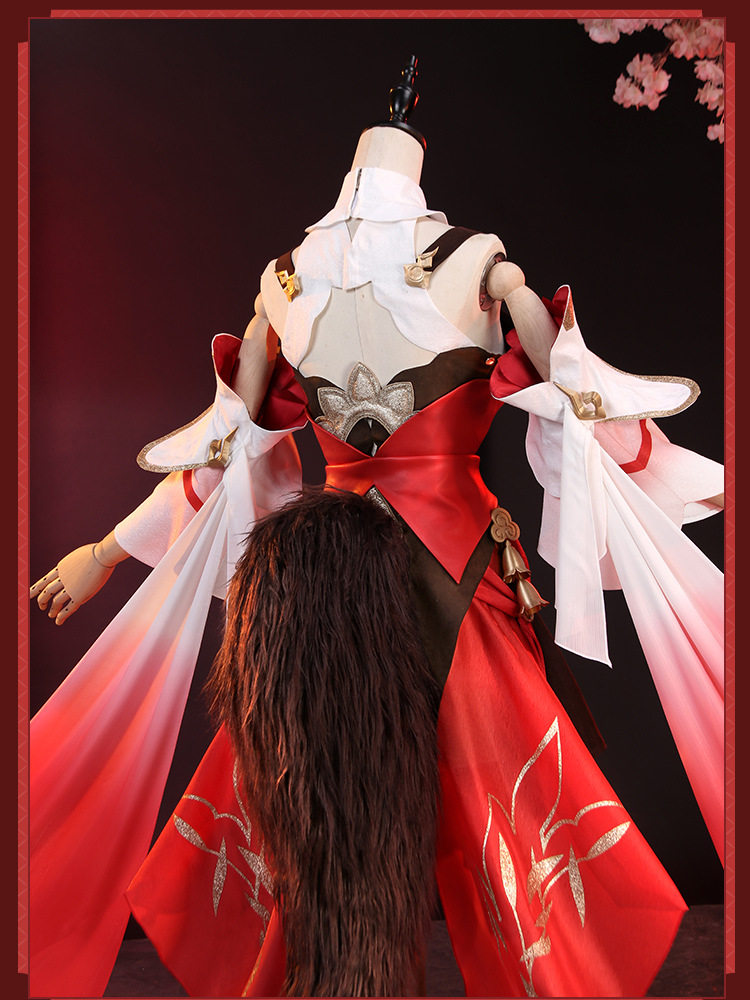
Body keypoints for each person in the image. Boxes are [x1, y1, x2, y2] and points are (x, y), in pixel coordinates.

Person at [29, 58, 724, 997]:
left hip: (334, 582)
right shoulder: (438, 267)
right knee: (400, 810)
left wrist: (108, 551)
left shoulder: (300, 281)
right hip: (437, 567)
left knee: (368, 808)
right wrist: (106, 552)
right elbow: (576, 400)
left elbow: (233, 457)